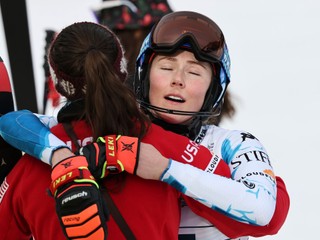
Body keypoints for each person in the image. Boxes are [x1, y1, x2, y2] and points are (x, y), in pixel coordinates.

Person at [0, 11, 289, 240]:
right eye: (166, 67)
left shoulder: (233, 144)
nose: (179, 79)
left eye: (194, 71)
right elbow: (16, 123)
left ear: (214, 87)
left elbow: (267, 213)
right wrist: (59, 154)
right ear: (141, 75)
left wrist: (163, 168)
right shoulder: (110, 132)